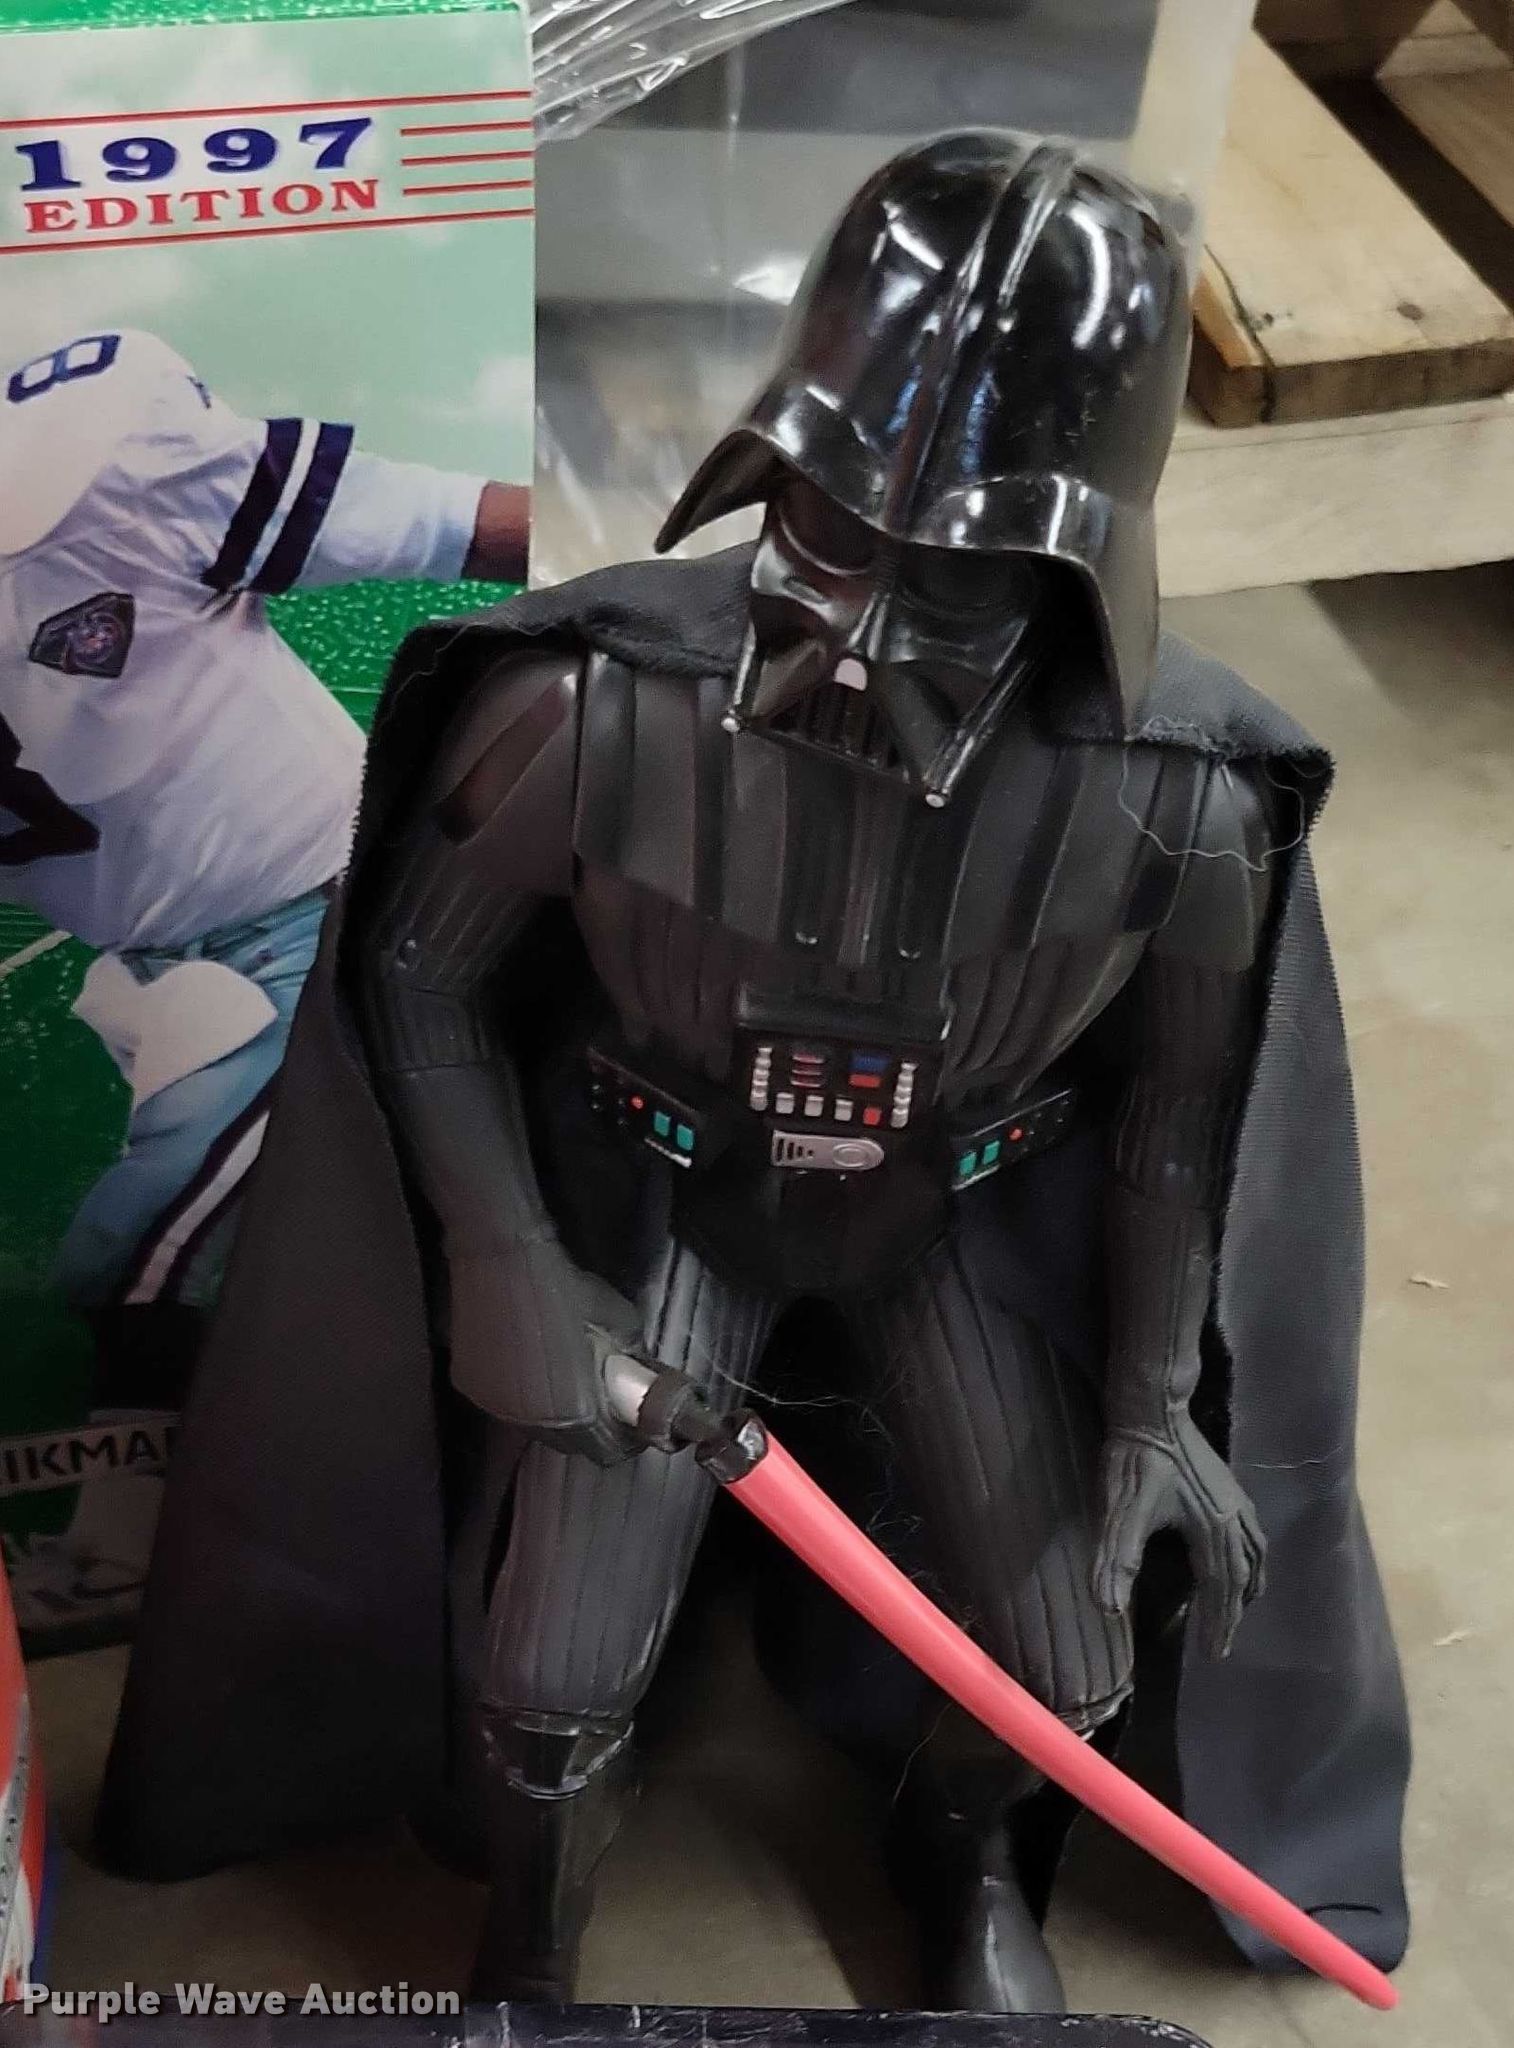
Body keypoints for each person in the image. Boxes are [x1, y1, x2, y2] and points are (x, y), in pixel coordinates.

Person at [99, 140, 1409, 2009]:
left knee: (1065, 1654)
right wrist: (509, 1264)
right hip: (664, 1199)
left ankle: (963, 1860)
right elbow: (421, 977)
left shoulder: (1175, 805)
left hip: (946, 1215)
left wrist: (1144, 1402)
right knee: (550, 1674)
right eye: (829, 529)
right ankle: (537, 1923)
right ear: (764, 471)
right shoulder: (591, 709)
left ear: (1074, 568)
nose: (857, 634)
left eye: (951, 574)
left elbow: (1179, 1126)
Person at [0, 327, 527, 1623]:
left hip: (324, 911)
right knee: (282, 1248)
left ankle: (126, 1556)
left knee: (146, 1240)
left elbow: (458, 523)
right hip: (165, 967)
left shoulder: (94, 461)